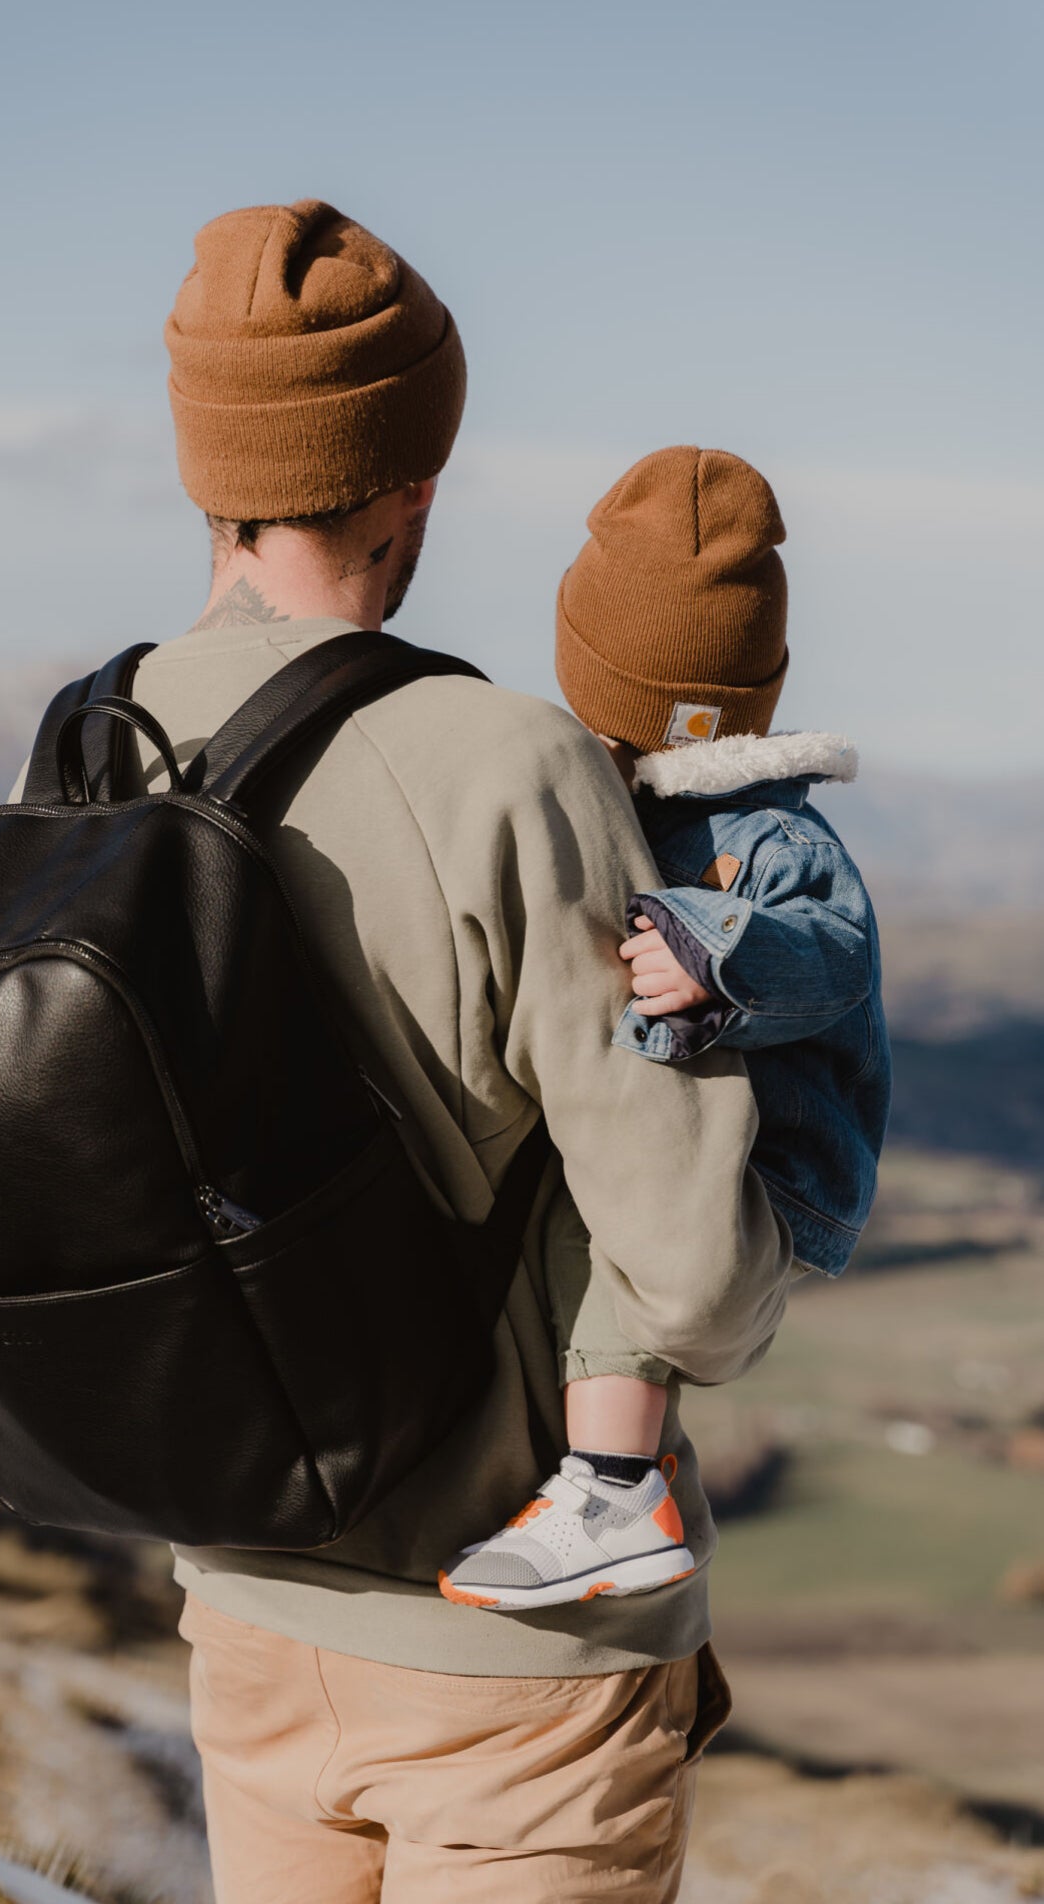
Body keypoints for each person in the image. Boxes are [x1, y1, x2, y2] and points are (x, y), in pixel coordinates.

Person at [123, 200, 792, 1904]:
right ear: (411, 476)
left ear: (209, 462)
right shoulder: (504, 759)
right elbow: (695, 1276)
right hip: (517, 1656)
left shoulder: (96, 745)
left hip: (243, 1601)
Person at [441, 447, 891, 1613]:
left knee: (616, 1250)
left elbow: (836, 959)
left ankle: (612, 1493)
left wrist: (708, 947)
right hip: (702, 1147)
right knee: (586, 1233)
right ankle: (601, 1478)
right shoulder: (627, 804)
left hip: (770, 1171)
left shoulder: (775, 839)